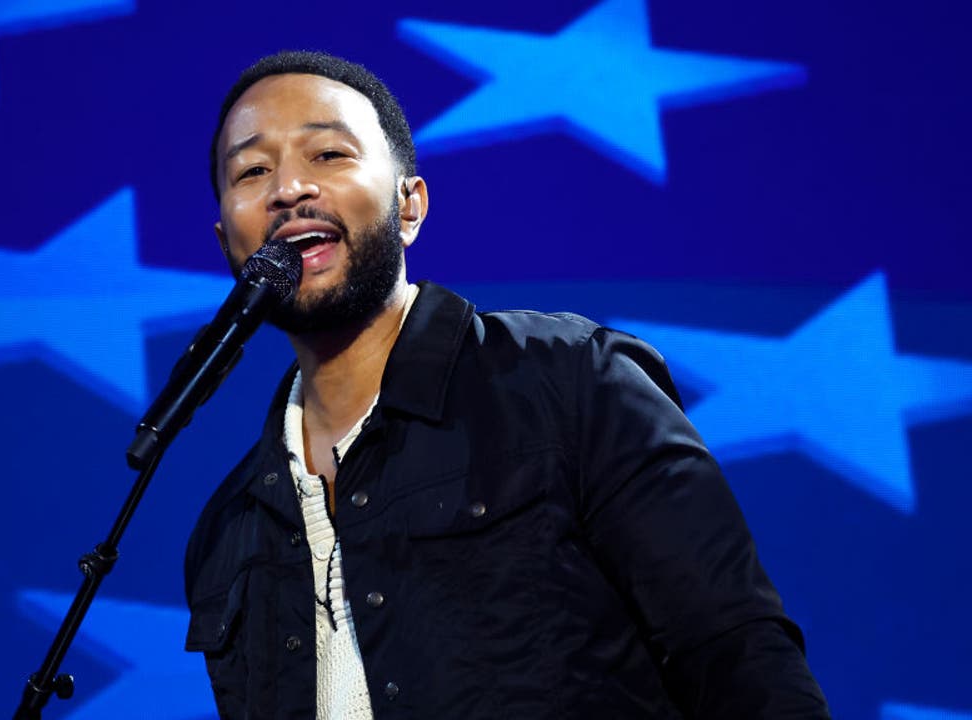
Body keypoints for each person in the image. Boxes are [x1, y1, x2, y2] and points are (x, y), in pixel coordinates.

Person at [183, 50, 831, 719]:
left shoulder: (571, 382)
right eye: (253, 170)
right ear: (229, 241)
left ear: (410, 205)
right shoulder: (229, 530)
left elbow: (738, 659)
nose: (289, 189)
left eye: (328, 155)